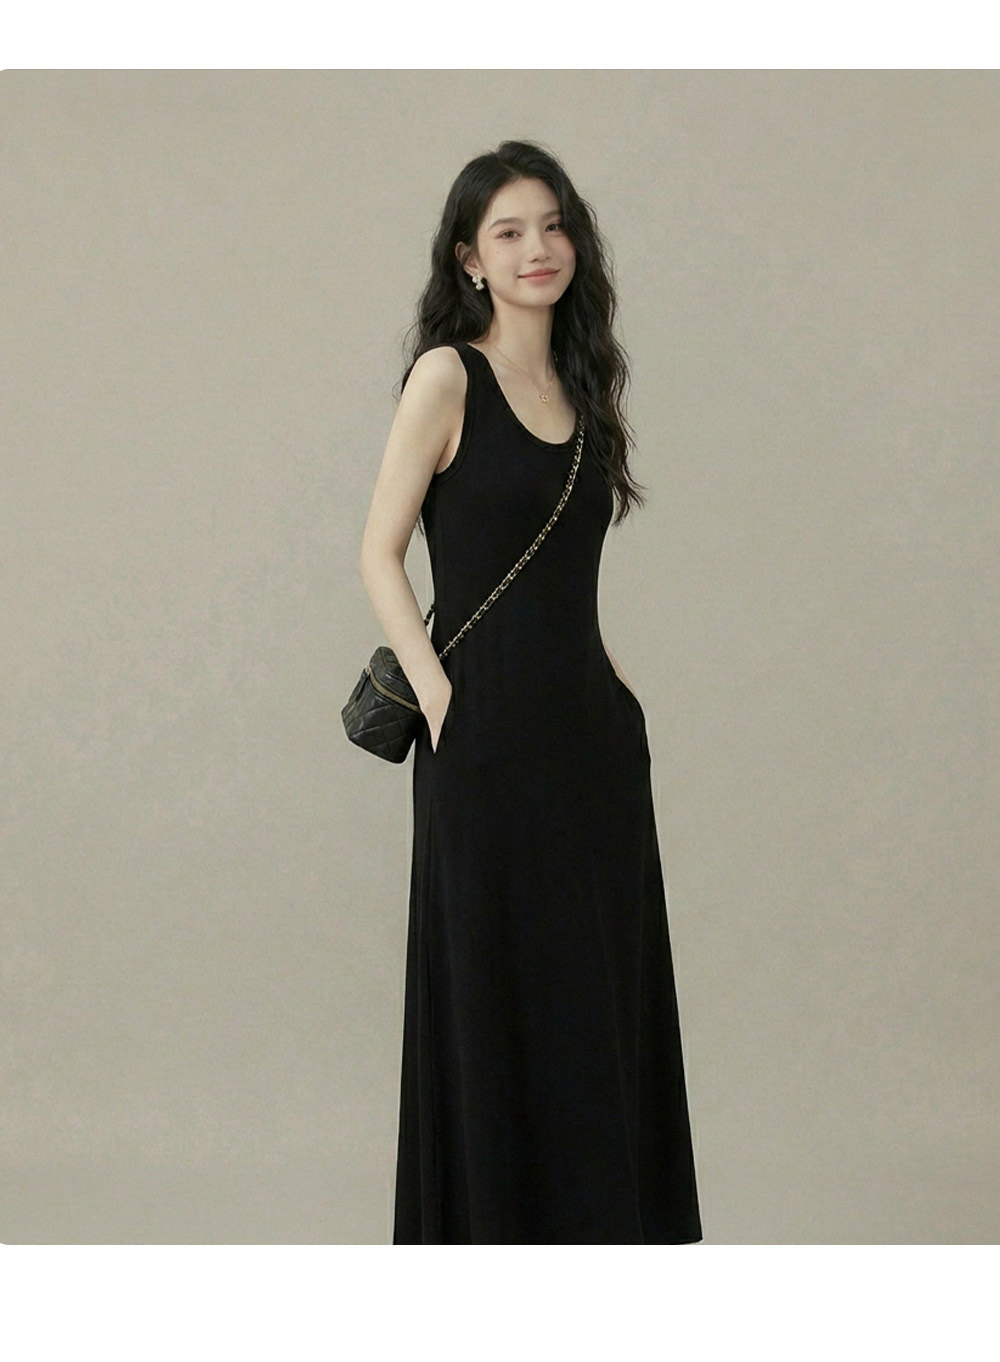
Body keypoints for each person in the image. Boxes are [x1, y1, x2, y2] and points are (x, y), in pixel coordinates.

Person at [358, 139, 702, 1244]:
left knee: (591, 1003)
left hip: (592, 747)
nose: (537, 248)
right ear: (470, 259)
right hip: (484, 742)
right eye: (507, 232)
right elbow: (377, 551)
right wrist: (439, 698)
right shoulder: (446, 377)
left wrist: (619, 694)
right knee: (493, 998)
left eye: (552, 225)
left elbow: (565, 584)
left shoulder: (586, 389)